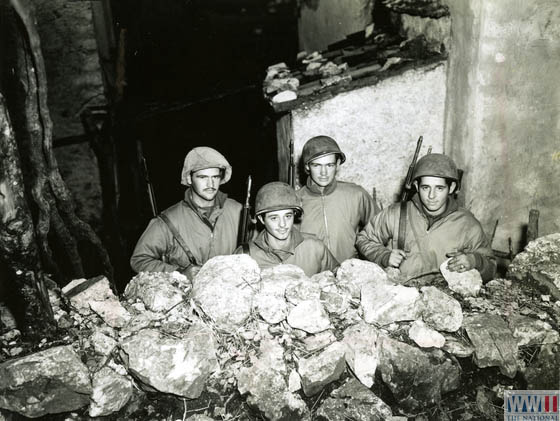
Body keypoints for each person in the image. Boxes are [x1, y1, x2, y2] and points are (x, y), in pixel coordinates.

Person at [356, 153, 496, 281]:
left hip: (444, 298)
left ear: (451, 188)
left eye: (439, 188)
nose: (431, 196)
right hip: (403, 292)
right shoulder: (397, 213)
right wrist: (384, 256)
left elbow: (491, 267)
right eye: (425, 187)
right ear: (417, 186)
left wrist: (474, 260)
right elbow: (364, 239)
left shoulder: (467, 223)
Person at [130, 147, 242, 280]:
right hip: (187, 296)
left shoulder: (238, 211)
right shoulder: (168, 220)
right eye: (202, 177)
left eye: (215, 177)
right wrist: (178, 272)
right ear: (189, 179)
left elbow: (259, 247)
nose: (210, 184)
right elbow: (139, 260)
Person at [296, 135, 376, 263]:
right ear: (307, 166)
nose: (323, 172)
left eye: (329, 165)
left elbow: (380, 233)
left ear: (338, 165)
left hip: (350, 272)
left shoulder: (356, 194)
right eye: (317, 165)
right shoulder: (295, 201)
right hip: (311, 277)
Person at [237, 181, 339, 276]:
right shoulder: (246, 255)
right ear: (261, 219)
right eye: (274, 218)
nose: (283, 224)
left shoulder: (315, 248)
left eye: (288, 216)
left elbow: (339, 279)